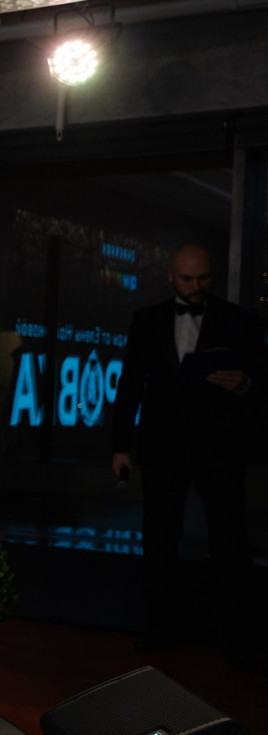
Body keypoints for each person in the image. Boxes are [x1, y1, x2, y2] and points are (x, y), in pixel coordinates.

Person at [110, 244, 264, 666]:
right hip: (163, 446)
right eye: (187, 279)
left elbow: (262, 380)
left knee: (229, 539)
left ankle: (235, 636)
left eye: (204, 278)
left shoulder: (240, 319)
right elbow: (130, 383)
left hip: (219, 446)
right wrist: (120, 446)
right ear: (171, 277)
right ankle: (162, 627)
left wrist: (244, 384)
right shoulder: (147, 319)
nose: (196, 287)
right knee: (159, 537)